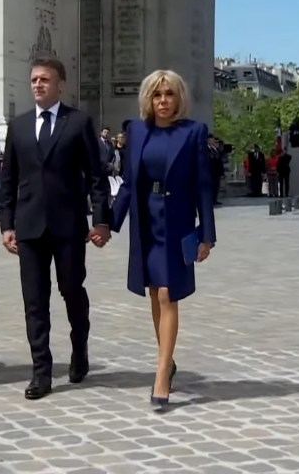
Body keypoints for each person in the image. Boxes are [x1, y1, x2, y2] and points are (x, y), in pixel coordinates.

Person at [0, 56, 111, 400]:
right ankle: (41, 372)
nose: (37, 85)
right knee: (34, 300)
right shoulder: (18, 127)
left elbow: (96, 175)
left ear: (60, 84)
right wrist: (7, 223)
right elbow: (9, 179)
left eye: (44, 80)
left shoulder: (77, 123)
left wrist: (101, 220)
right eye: (33, 80)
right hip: (29, 226)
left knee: (71, 289)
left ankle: (80, 349)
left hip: (68, 225)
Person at [110, 69, 215, 409]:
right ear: (148, 99)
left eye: (169, 94)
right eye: (157, 95)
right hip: (147, 220)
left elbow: (202, 185)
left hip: (179, 221)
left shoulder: (193, 132)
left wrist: (207, 235)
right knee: (155, 294)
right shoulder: (137, 131)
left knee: (169, 293)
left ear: (178, 98)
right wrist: (106, 224)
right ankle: (167, 361)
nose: (163, 101)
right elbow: (127, 183)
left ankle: (160, 372)